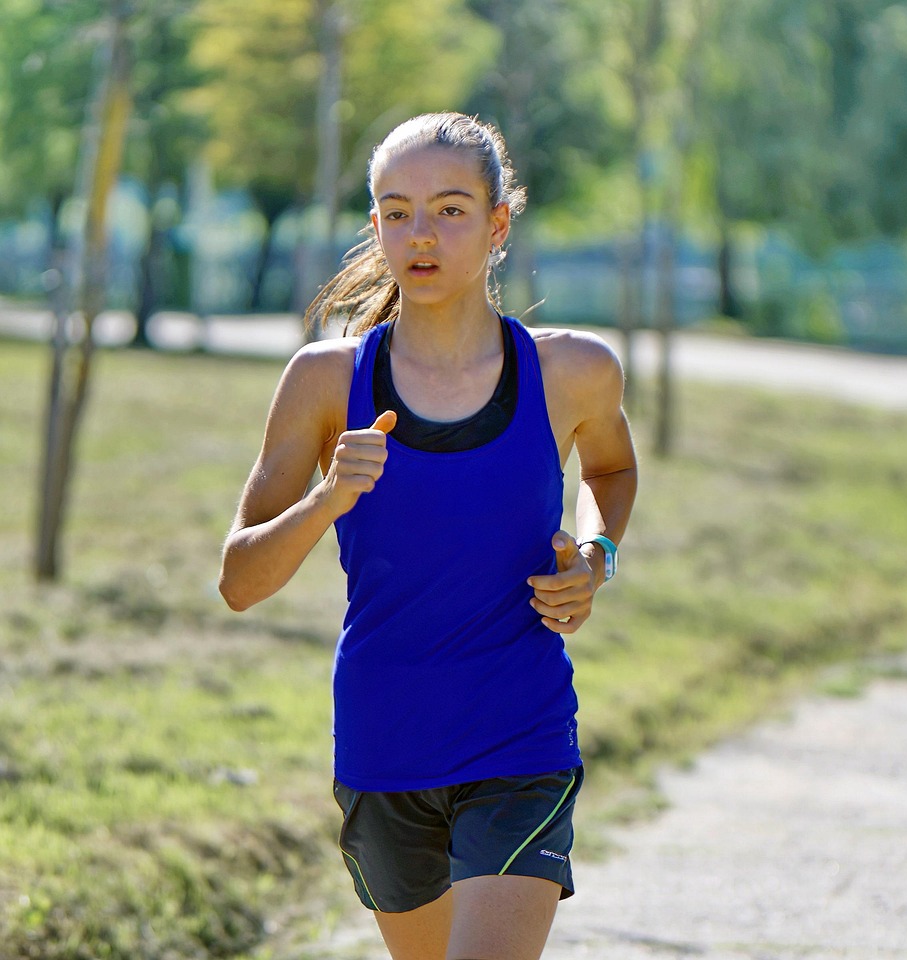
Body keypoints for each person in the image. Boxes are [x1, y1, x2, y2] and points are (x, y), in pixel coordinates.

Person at [218, 112, 638, 960]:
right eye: (397, 211)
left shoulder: (571, 371)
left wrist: (595, 556)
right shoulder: (326, 381)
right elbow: (239, 581)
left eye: (450, 210)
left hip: (521, 734)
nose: (422, 234)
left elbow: (611, 472)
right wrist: (328, 500)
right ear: (375, 226)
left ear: (497, 223)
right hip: (385, 742)